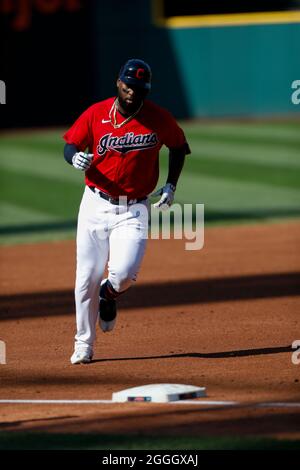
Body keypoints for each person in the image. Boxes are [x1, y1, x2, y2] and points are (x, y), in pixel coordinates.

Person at [63, 58, 191, 364]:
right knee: (86, 278)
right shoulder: (96, 113)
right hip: (95, 204)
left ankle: (109, 296)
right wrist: (74, 158)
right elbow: (70, 144)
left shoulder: (158, 118)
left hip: (134, 209)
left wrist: (172, 185)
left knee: (123, 276)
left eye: (139, 88)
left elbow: (178, 146)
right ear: (118, 83)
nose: (132, 92)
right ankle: (84, 343)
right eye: (128, 85)